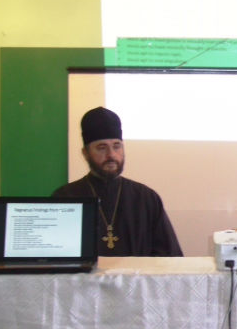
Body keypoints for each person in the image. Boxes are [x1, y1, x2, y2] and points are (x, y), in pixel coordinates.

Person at [53, 107, 183, 257]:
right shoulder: (66, 197)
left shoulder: (146, 198)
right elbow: (55, 257)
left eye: (117, 146)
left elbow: (170, 257)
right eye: (101, 148)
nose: (111, 155)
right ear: (85, 153)